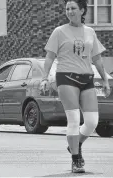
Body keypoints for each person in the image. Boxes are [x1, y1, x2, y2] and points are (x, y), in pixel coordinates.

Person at [40, 0, 111, 173]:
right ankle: (76, 159)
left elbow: (97, 59)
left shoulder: (90, 32)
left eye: (73, 8)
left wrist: (105, 80)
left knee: (92, 122)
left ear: (82, 10)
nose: (70, 11)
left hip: (87, 77)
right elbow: (49, 57)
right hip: (66, 77)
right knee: (73, 119)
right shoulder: (59, 32)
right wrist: (44, 78)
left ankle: (75, 144)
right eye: (67, 9)